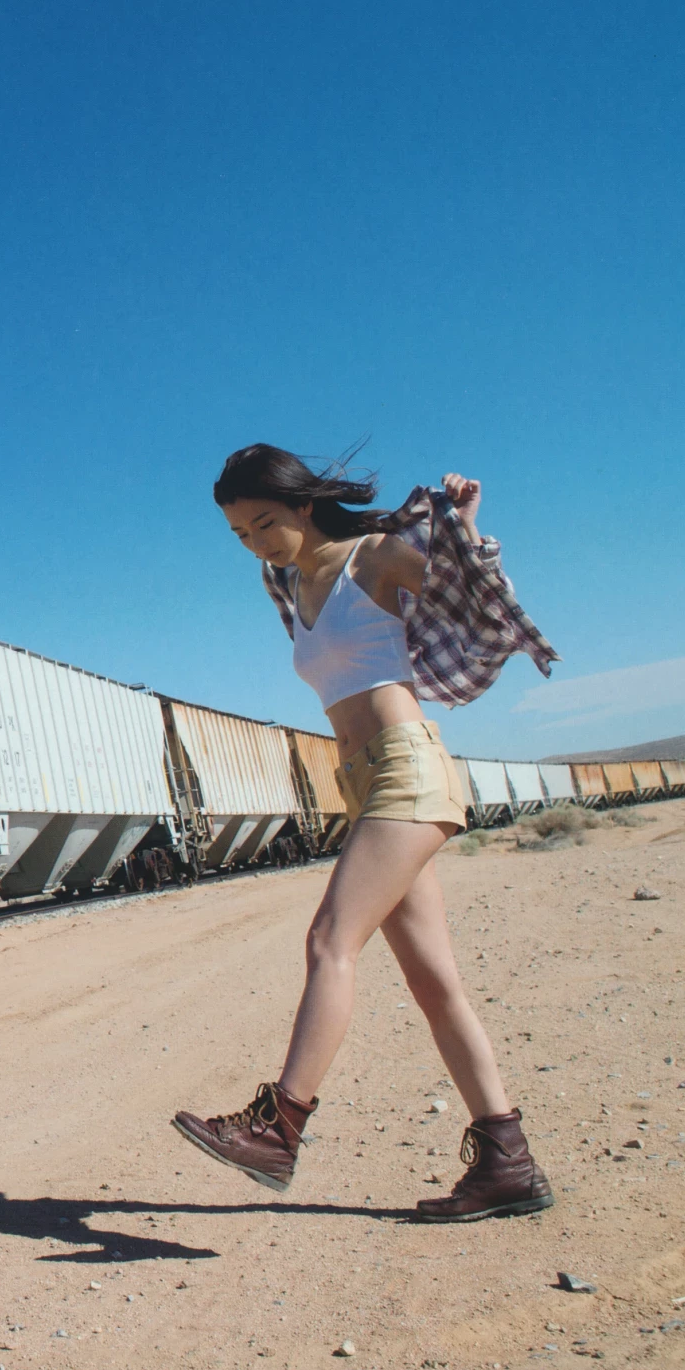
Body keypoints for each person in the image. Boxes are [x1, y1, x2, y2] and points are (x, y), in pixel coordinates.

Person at [172, 444, 561, 1221]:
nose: (256, 542)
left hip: (407, 769)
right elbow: (307, 619)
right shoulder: (283, 580)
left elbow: (471, 598)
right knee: (433, 983)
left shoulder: (377, 556)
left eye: (265, 523)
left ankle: (278, 1128)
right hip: (364, 785)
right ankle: (507, 1164)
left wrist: (462, 532)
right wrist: (273, 555)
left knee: (329, 941)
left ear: (305, 504)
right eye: (241, 533)